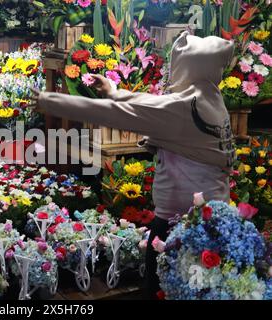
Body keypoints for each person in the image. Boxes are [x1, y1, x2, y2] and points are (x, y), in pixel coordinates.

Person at [30, 31, 235, 299]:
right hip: (211, 219)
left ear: (186, 67)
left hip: (182, 227)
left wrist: (50, 101)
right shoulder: (207, 97)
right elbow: (157, 105)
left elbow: (115, 114)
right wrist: (115, 92)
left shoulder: (187, 108)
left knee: (166, 291)